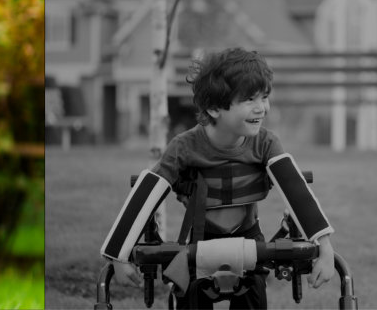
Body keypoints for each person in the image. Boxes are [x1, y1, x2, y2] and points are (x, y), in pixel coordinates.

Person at [100, 48, 339, 309]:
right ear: (214, 108)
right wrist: (118, 256)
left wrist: (324, 248)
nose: (262, 108)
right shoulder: (184, 147)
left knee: (253, 297)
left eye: (265, 97)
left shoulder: (266, 143)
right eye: (249, 99)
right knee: (189, 296)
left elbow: (296, 190)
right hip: (201, 241)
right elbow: (147, 192)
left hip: (249, 238)